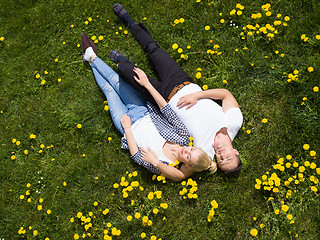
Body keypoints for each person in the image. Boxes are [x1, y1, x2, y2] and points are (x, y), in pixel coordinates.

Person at [111, 3, 244, 177]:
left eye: (221, 162)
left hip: (162, 101)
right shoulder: (234, 123)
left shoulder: (204, 154)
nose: (221, 157)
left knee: (127, 71)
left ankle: (121, 60)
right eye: (228, 158)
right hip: (181, 82)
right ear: (236, 152)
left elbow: (179, 175)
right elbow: (226, 95)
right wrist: (197, 95)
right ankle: (128, 20)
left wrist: (157, 163)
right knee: (153, 49)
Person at [80, 33, 216, 181]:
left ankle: (90, 57)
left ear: (188, 165)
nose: (186, 150)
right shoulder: (183, 136)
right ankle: (91, 56)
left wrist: (127, 129)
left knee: (109, 90)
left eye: (188, 156)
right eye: (192, 149)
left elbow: (136, 156)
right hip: (142, 110)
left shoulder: (165, 164)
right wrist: (147, 84)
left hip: (126, 125)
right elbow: (167, 110)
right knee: (115, 81)